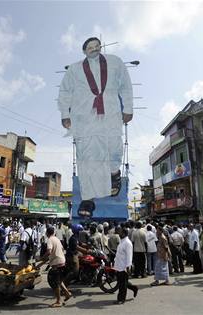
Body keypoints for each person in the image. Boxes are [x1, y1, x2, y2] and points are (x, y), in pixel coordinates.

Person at [58, 37, 133, 217]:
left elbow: (126, 85)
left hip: (111, 114)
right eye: (89, 47)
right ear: (84, 51)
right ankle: (88, 199)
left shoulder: (115, 62)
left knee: (114, 147)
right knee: (86, 156)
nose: (94, 49)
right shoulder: (75, 70)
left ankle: (114, 175)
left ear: (100, 47)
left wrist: (128, 108)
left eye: (96, 46)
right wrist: (65, 115)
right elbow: (65, 92)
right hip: (84, 118)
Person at [37, 226, 72, 308]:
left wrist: (42, 258)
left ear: (46, 233)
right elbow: (62, 249)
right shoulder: (56, 239)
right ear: (54, 232)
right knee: (59, 280)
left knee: (55, 283)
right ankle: (67, 293)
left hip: (57, 264)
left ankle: (59, 301)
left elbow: (49, 251)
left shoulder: (49, 240)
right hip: (62, 261)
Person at [113, 227, 138, 305]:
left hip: (124, 267)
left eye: (120, 232)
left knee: (122, 285)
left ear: (123, 233)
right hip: (119, 265)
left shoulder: (128, 243)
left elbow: (129, 256)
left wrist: (128, 267)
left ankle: (121, 299)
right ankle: (134, 288)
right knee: (122, 282)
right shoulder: (122, 241)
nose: (118, 234)